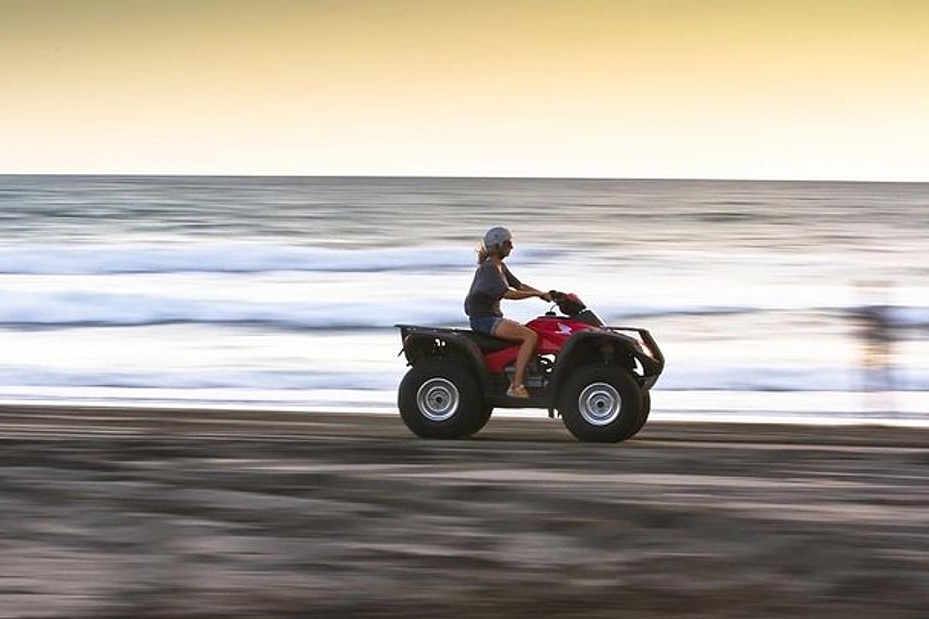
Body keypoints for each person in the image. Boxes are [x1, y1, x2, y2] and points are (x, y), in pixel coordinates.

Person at [464, 226, 551, 398]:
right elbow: (508, 294)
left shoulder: (500, 266)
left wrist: (543, 294)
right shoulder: (489, 268)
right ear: (497, 245)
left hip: (492, 317)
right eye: (508, 243)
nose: (512, 247)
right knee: (530, 336)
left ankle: (526, 373)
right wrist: (535, 295)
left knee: (532, 330)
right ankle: (516, 386)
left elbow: (519, 286)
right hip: (484, 320)